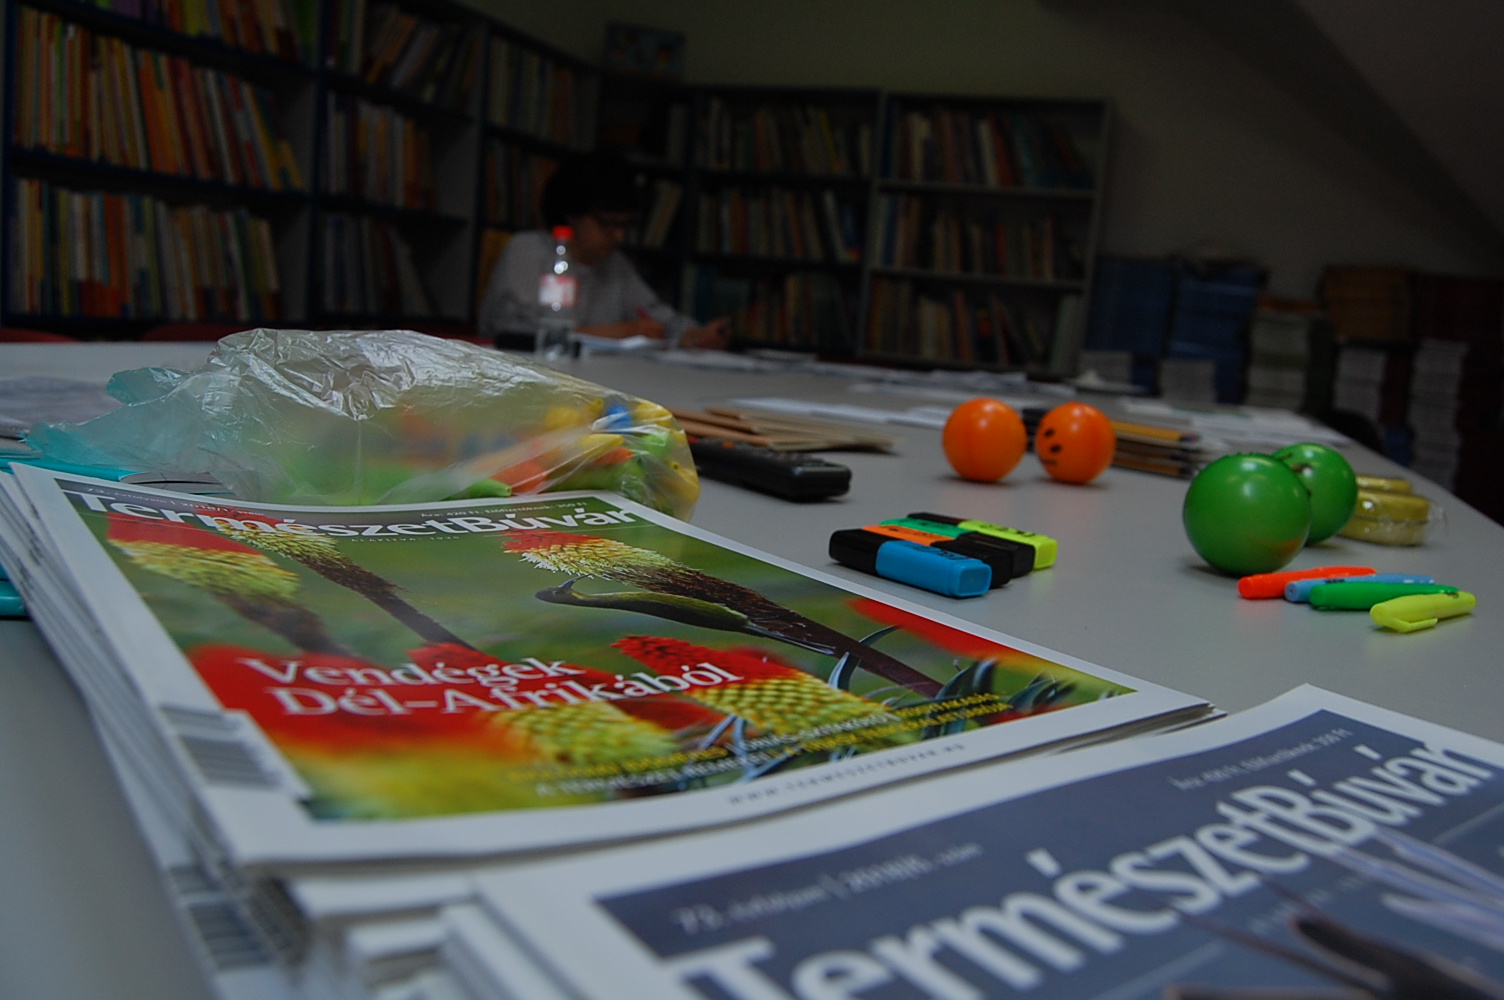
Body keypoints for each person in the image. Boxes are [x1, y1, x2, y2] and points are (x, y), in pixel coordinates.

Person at [478, 151, 730, 350]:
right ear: (572, 213)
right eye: (607, 223)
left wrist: (694, 335)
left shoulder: (613, 264)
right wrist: (617, 333)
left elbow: (656, 314)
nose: (619, 235)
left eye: (625, 225)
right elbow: (510, 330)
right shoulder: (528, 250)